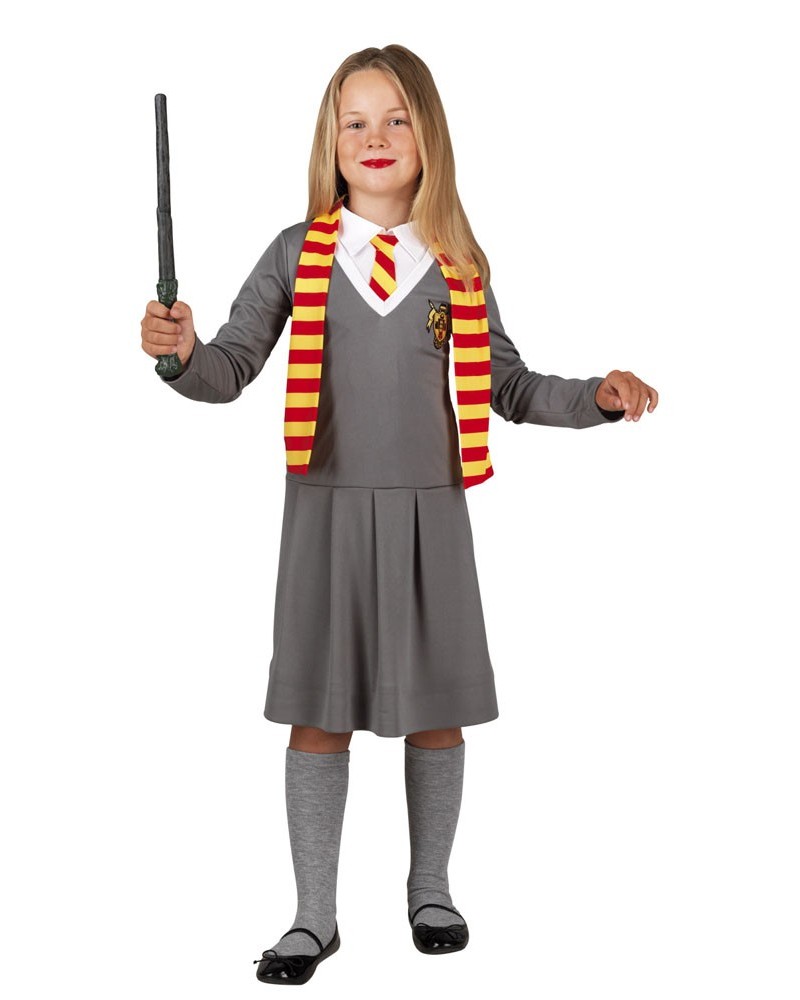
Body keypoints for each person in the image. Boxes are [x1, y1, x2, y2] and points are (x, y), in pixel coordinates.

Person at [140, 44, 658, 986]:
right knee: (317, 717)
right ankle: (314, 916)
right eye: (355, 121)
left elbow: (507, 384)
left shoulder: (456, 262)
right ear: (329, 140)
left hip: (431, 518)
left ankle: (431, 888)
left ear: (429, 136)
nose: (374, 137)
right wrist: (179, 354)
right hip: (325, 517)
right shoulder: (298, 252)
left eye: (395, 119)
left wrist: (597, 397)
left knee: (437, 714)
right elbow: (229, 367)